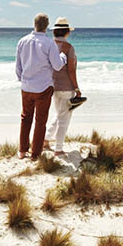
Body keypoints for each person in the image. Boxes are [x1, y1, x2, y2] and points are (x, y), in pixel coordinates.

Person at [15, 13, 67, 160]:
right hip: (43, 87)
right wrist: (63, 57)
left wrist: (23, 80)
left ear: (34, 24)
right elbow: (57, 66)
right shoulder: (49, 43)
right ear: (47, 26)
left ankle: (22, 151)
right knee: (40, 121)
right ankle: (35, 154)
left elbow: (18, 67)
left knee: (25, 118)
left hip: (26, 87)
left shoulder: (22, 41)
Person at [43, 16, 85, 156]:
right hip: (66, 87)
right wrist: (77, 88)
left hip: (52, 86)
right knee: (64, 118)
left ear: (55, 32)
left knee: (60, 113)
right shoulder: (69, 48)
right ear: (67, 32)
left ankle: (45, 140)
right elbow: (71, 70)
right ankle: (59, 149)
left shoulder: (49, 46)